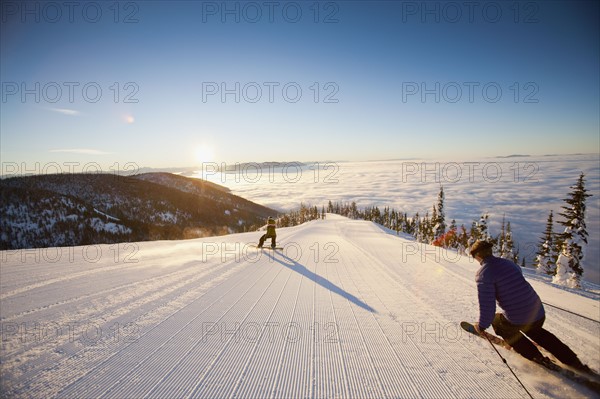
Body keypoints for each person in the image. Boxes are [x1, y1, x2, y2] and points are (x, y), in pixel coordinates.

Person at [470, 240, 590, 372]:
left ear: (478, 256)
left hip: (518, 318)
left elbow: (487, 306)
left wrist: (481, 326)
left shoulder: (483, 274)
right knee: (538, 333)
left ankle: (536, 357)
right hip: (538, 311)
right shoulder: (508, 263)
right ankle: (574, 362)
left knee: (498, 322)